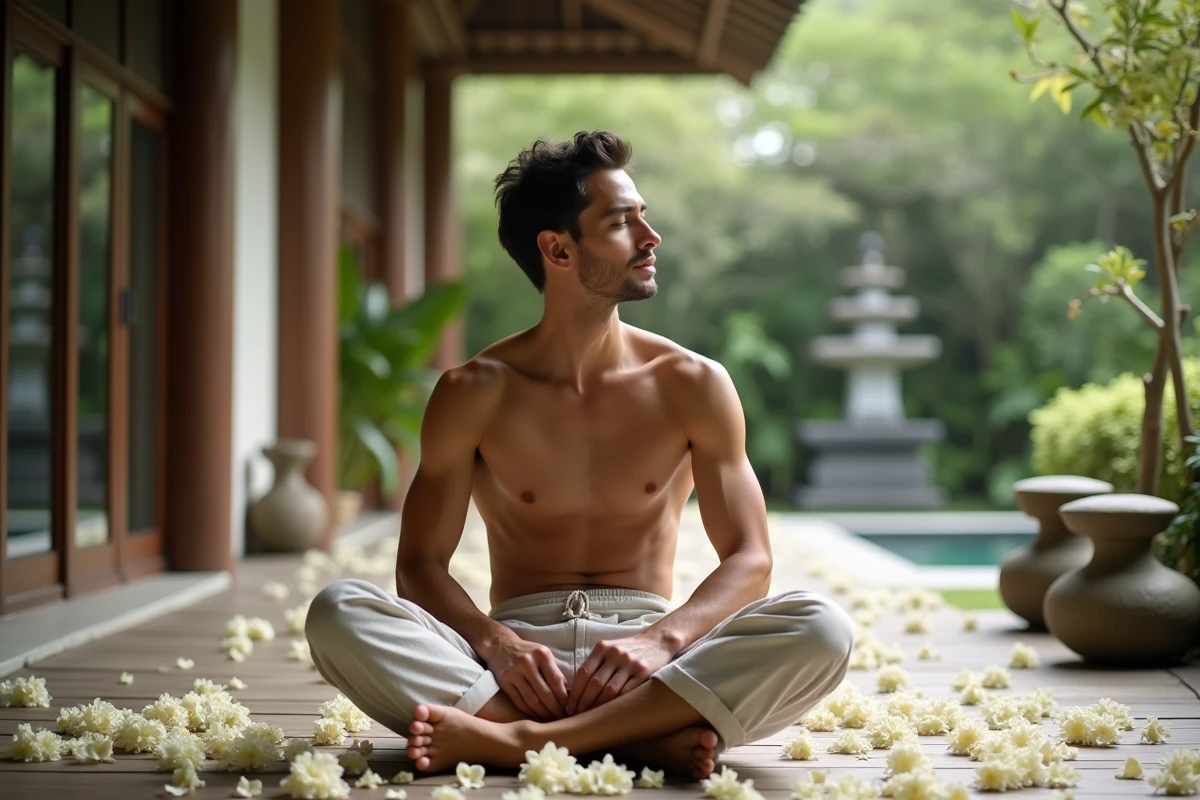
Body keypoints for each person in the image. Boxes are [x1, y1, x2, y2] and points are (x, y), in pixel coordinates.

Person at [305, 130, 854, 780]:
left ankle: (513, 740)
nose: (651, 238)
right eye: (623, 223)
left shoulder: (693, 384)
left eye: (643, 217)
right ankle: (638, 739)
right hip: (512, 661)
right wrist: (496, 643)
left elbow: (751, 557)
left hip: (653, 658)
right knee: (337, 612)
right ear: (558, 248)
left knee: (821, 629)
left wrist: (663, 639)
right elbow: (420, 566)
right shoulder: (473, 392)